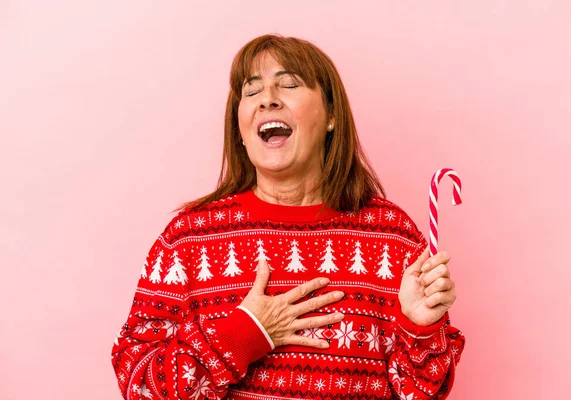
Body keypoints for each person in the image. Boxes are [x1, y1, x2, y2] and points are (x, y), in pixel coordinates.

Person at [111, 34, 465, 400]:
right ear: (241, 128)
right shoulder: (187, 239)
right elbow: (139, 384)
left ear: (330, 116)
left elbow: (424, 393)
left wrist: (420, 329)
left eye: (289, 84)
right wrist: (246, 332)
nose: (267, 99)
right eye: (251, 91)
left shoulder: (394, 237)